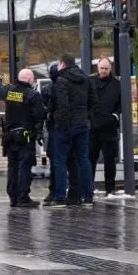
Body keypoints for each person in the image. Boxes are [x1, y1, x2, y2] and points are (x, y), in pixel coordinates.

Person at [49, 54, 96, 208]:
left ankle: (60, 197)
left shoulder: (61, 80)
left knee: (60, 161)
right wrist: (85, 116)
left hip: (66, 126)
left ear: (62, 64)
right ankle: (88, 196)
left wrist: (60, 123)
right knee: (83, 159)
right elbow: (93, 101)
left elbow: (62, 105)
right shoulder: (85, 79)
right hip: (82, 124)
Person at [0, 69, 45, 208]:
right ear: (29, 79)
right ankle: (23, 197)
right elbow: (40, 115)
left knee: (12, 166)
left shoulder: (8, 91)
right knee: (24, 166)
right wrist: (39, 133)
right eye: (33, 79)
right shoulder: (33, 95)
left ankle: (13, 197)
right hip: (25, 136)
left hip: (10, 136)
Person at [42, 63, 80, 206]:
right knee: (71, 162)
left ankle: (57, 193)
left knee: (58, 164)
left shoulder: (50, 89)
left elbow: (45, 110)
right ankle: (72, 193)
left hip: (57, 130)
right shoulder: (70, 88)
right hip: (66, 129)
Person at [89, 57, 121, 196]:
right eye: (101, 68)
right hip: (92, 127)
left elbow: (121, 104)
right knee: (90, 158)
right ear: (97, 68)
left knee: (110, 159)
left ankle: (110, 188)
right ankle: (89, 186)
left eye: (106, 68)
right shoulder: (90, 82)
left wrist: (115, 115)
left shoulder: (117, 84)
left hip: (109, 127)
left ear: (110, 69)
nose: (103, 71)